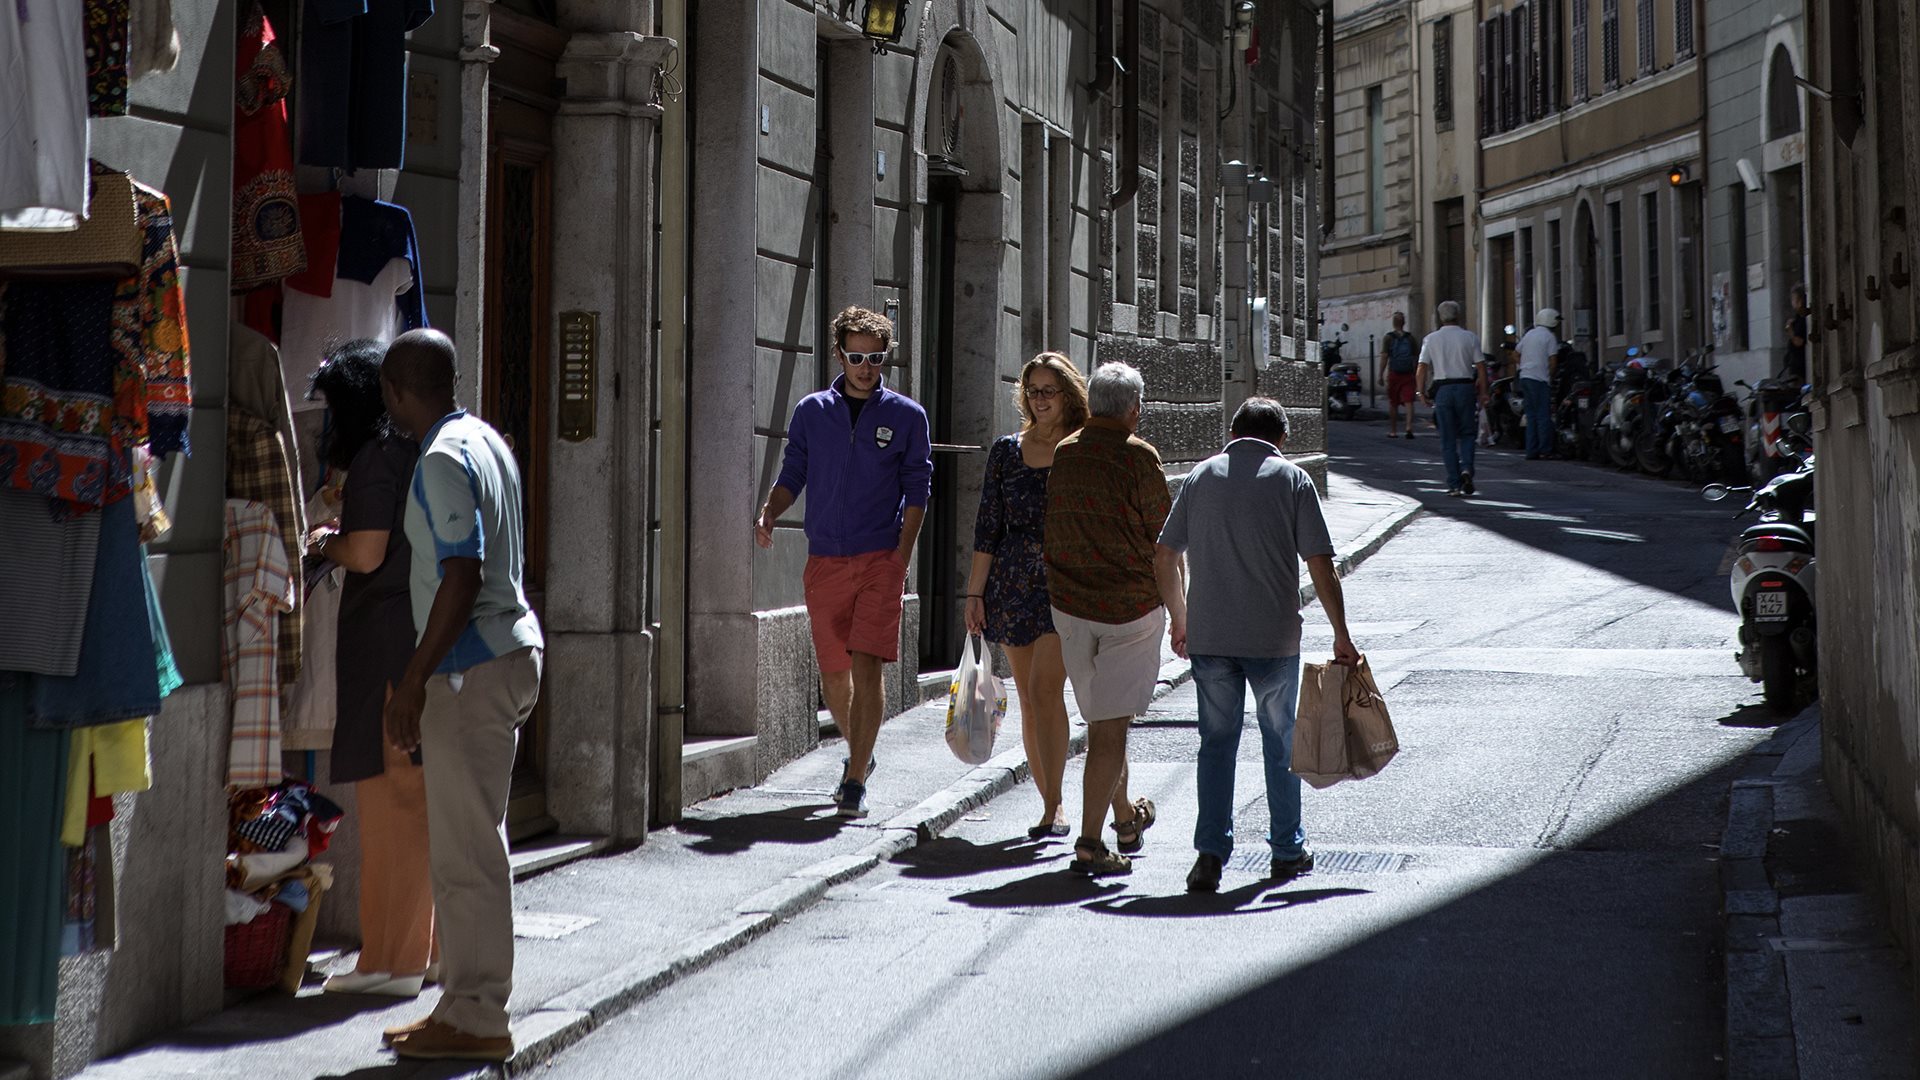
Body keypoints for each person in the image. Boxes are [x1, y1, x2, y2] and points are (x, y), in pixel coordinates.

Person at [376, 329, 544, 1064]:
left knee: (467, 848)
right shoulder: (486, 441)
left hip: (469, 669)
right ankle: (462, 1003)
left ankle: (476, 1013)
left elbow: (462, 573)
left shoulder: (442, 456)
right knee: (470, 840)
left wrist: (414, 679)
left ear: (395, 392)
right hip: (503, 655)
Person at [1155, 397, 1360, 893]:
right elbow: (1319, 564)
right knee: (1280, 742)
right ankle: (1287, 850)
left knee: (1216, 743)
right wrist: (1341, 633)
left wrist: (1180, 618)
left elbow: (1164, 554)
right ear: (1282, 438)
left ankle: (1209, 855)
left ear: (1232, 434)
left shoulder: (1199, 477)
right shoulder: (1293, 480)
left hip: (1210, 636)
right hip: (1273, 638)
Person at [756, 305, 932, 819]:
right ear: (839, 354)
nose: (865, 368)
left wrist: (901, 556)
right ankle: (862, 753)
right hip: (826, 560)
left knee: (867, 665)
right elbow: (794, 472)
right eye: (856, 358)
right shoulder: (812, 412)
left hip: (880, 558)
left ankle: (854, 780)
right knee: (834, 675)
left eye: (876, 359)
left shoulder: (907, 416)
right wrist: (769, 511)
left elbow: (918, 489)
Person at [305, 340, 434, 998]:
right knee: (414, 807)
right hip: (412, 644)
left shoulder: (379, 456)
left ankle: (392, 960)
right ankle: (421, 952)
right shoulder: (416, 448)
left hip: (387, 648)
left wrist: (324, 540)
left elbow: (366, 552)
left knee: (393, 809)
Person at [1042, 361, 1167, 876]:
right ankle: (1090, 843)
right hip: (1127, 611)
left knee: (1103, 723)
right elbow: (1164, 541)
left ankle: (1126, 819)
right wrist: (1181, 609)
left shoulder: (1065, 452)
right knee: (1110, 730)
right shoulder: (1140, 456)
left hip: (1071, 609)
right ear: (1134, 409)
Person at [965, 353, 1088, 840]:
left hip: (1065, 581)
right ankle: (1049, 803)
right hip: (1012, 583)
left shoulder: (1081, 447)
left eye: (1048, 391)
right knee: (1029, 699)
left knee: (1044, 689)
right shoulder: (1006, 451)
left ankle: (1056, 805)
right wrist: (974, 592)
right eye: (1032, 390)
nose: (1039, 400)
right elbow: (988, 526)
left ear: (1068, 395)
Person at [1417, 301, 1489, 497]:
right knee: (1467, 434)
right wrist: (1483, 392)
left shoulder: (1431, 339)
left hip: (1443, 390)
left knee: (1447, 439)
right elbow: (1481, 367)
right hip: (1466, 388)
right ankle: (1467, 468)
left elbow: (1422, 367)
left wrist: (1421, 392)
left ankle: (1454, 484)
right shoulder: (1470, 337)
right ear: (1459, 315)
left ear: (1440, 317)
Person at [1516, 309, 1560, 460]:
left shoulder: (1529, 334)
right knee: (1543, 415)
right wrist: (1550, 376)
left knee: (1531, 415)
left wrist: (1525, 365)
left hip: (1525, 377)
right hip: (1539, 379)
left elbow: (1516, 353)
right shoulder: (1550, 337)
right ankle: (1545, 450)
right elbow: (1553, 361)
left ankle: (1531, 450)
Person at [1378, 312, 1421, 439]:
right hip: (1408, 374)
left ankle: (1393, 430)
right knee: (1409, 402)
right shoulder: (1410, 338)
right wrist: (1417, 375)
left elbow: (1384, 357)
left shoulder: (1388, 338)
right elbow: (1416, 358)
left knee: (1393, 402)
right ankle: (1409, 427)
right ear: (1404, 323)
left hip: (1394, 373)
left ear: (1393, 323)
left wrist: (1380, 375)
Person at [1783, 284, 1809, 386]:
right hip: (1795, 365)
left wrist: (1790, 330)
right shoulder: (1798, 317)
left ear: (1800, 301)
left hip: (1800, 366)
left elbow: (1798, 341)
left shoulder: (1802, 319)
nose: (1792, 302)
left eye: (1793, 299)